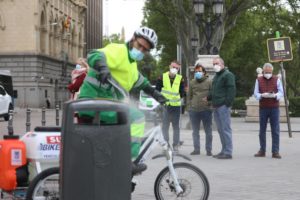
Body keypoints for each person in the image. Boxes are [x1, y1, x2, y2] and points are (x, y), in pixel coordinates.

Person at [78, 27, 167, 174]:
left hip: (104, 104)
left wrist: (156, 94)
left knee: (125, 124)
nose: (141, 50)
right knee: (137, 118)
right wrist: (103, 67)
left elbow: (141, 82)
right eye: (140, 45)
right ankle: (129, 161)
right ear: (133, 39)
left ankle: (115, 159)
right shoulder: (119, 50)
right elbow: (94, 54)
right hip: (92, 102)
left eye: (145, 50)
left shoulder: (131, 64)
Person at [207, 57, 236, 159]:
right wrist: (208, 97)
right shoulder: (216, 76)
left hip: (223, 106)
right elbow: (214, 91)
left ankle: (228, 152)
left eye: (217, 63)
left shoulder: (228, 75)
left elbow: (231, 90)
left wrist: (227, 104)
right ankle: (223, 150)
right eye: (214, 64)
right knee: (220, 129)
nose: (215, 66)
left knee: (225, 129)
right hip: (216, 106)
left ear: (222, 64)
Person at [253, 63, 283, 159]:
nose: (267, 74)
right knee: (262, 130)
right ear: (263, 71)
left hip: (274, 107)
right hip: (263, 108)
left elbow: (281, 92)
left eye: (269, 72)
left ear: (272, 71)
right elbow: (255, 93)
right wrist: (262, 95)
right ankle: (262, 150)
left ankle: (275, 151)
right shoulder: (258, 79)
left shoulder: (277, 79)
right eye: (266, 72)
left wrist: (275, 95)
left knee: (275, 131)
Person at [156, 60, 185, 152]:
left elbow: (182, 92)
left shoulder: (180, 78)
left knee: (176, 126)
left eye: (177, 68)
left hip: (176, 106)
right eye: (173, 67)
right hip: (165, 106)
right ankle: (166, 145)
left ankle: (175, 145)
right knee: (165, 126)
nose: (174, 69)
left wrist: (178, 96)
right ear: (169, 66)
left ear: (179, 69)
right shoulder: (162, 77)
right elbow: (157, 90)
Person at [187, 62, 213, 156]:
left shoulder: (209, 81)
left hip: (206, 110)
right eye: (196, 71)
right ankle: (196, 149)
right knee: (195, 131)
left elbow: (212, 94)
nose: (197, 72)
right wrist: (189, 106)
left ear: (204, 72)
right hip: (194, 110)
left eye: (199, 71)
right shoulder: (192, 82)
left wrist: (209, 104)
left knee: (208, 131)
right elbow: (189, 96)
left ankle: (208, 150)